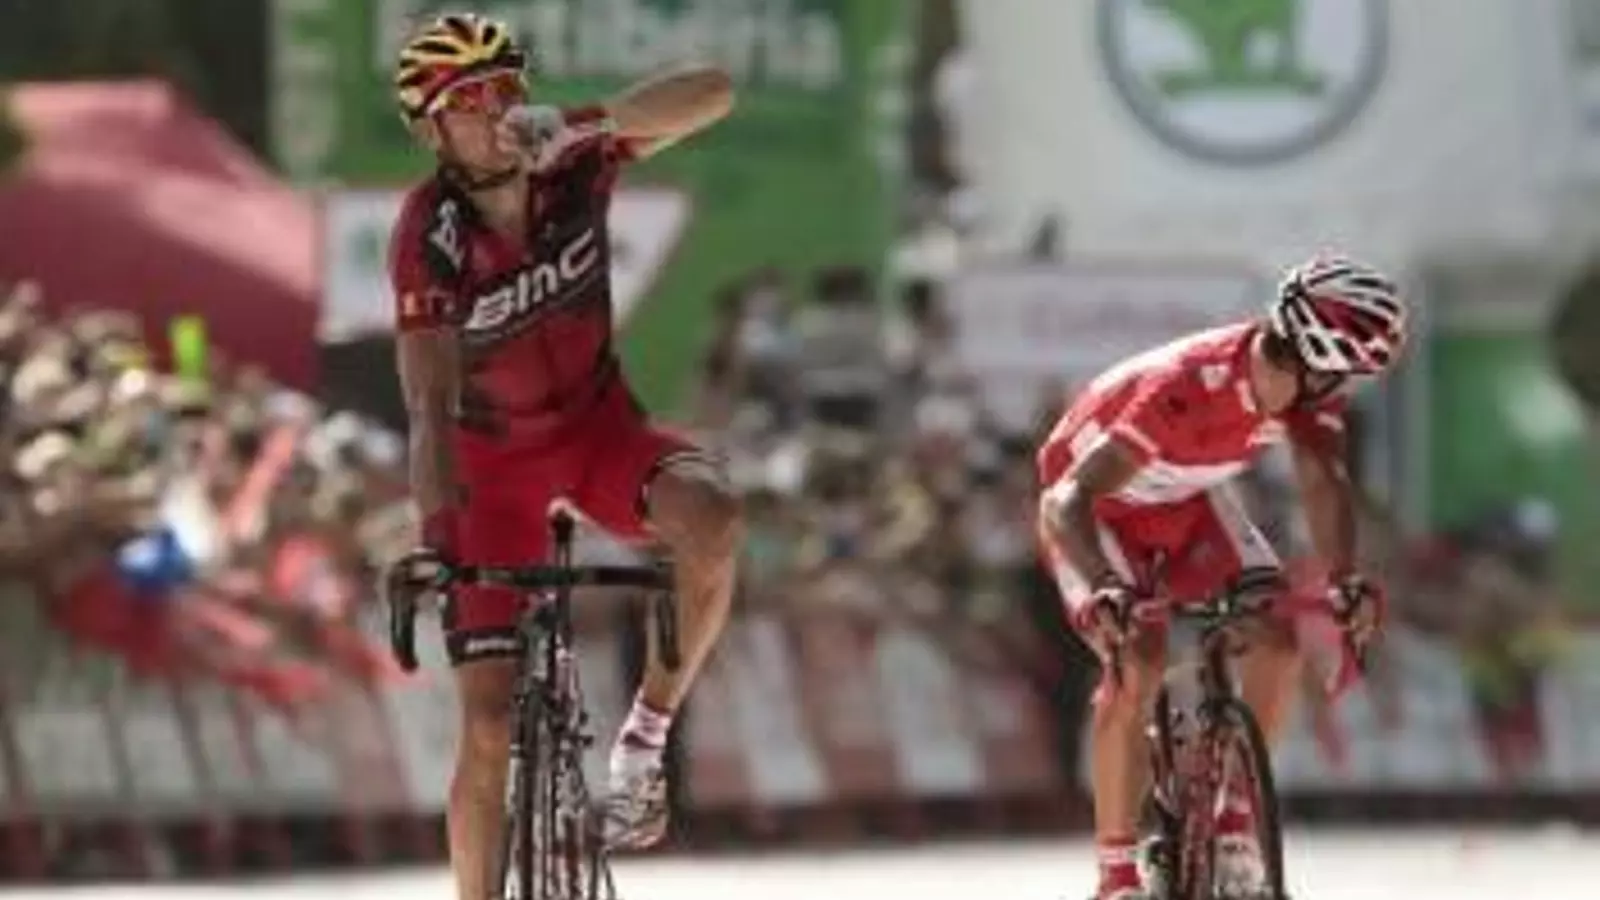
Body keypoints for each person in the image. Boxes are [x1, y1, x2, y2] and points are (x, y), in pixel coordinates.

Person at [384, 13, 741, 900]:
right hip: (490, 472)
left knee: (713, 517)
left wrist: (590, 120)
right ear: (432, 131)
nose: (494, 110)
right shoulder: (429, 232)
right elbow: (427, 407)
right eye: (468, 101)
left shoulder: (570, 154)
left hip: (597, 432)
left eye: (506, 87)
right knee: (488, 727)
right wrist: (437, 538)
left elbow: (714, 92)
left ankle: (644, 742)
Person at [1035, 255, 1402, 900]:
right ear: (1311, 358)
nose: (1342, 388)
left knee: (1278, 640)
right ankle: (1116, 878)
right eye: (1341, 373)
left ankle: (1233, 822)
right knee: (1140, 659)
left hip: (1184, 500)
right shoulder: (1187, 388)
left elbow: (1323, 479)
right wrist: (1103, 583)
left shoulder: (1308, 394)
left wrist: (1345, 577)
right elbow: (1066, 501)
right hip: (1096, 512)